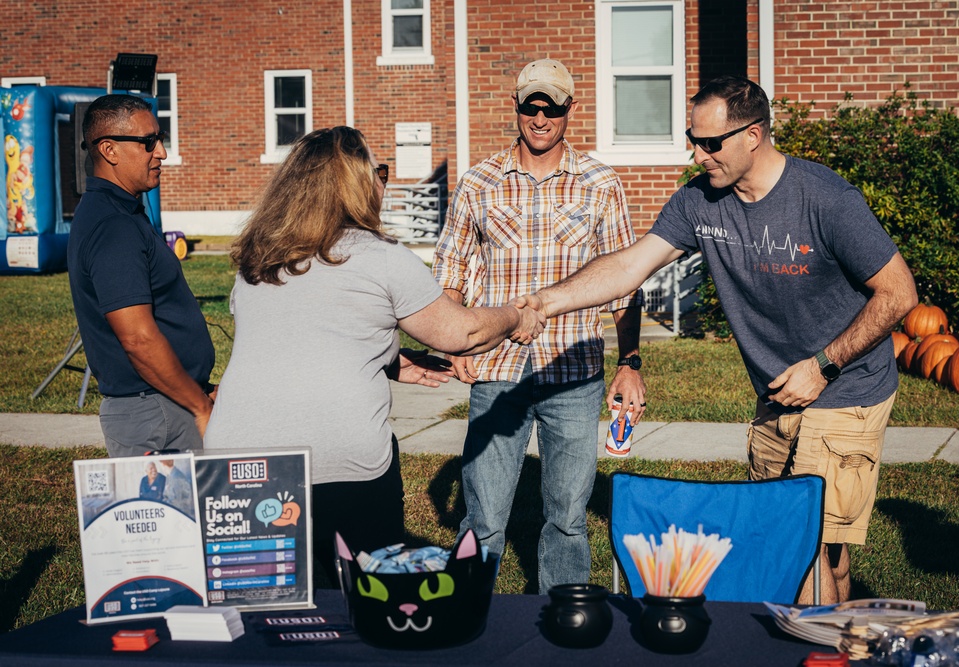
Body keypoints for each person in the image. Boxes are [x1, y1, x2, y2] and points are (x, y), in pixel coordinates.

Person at [520, 75, 919, 604]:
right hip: (777, 391)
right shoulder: (699, 204)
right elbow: (628, 267)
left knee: (799, 544)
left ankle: (814, 652)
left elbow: (899, 294)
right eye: (693, 139)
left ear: (753, 136)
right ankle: (840, 640)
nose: (699, 154)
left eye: (711, 143)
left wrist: (821, 364)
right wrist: (546, 301)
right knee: (814, 548)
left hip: (846, 387)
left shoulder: (824, 198)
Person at [202, 126, 545, 582]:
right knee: (361, 611)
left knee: (260, 610)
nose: (383, 181)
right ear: (358, 184)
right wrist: (515, 316)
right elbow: (462, 334)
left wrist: (391, 361)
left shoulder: (257, 262)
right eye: (377, 171)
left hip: (239, 464)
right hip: (339, 465)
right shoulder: (379, 256)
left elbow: (306, 336)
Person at [432, 59, 645, 595]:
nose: (541, 117)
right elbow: (452, 271)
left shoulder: (601, 183)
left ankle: (564, 621)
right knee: (482, 518)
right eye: (532, 105)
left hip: (574, 371)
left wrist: (631, 363)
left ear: (571, 109)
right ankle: (466, 614)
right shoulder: (480, 181)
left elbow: (624, 281)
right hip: (498, 369)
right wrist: (453, 337)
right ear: (517, 107)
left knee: (569, 518)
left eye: (552, 106)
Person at [67, 94, 215, 457]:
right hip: (156, 414)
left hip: (164, 403)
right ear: (110, 150)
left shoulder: (122, 212)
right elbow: (138, 339)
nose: (161, 152)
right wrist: (199, 405)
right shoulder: (113, 226)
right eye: (148, 142)